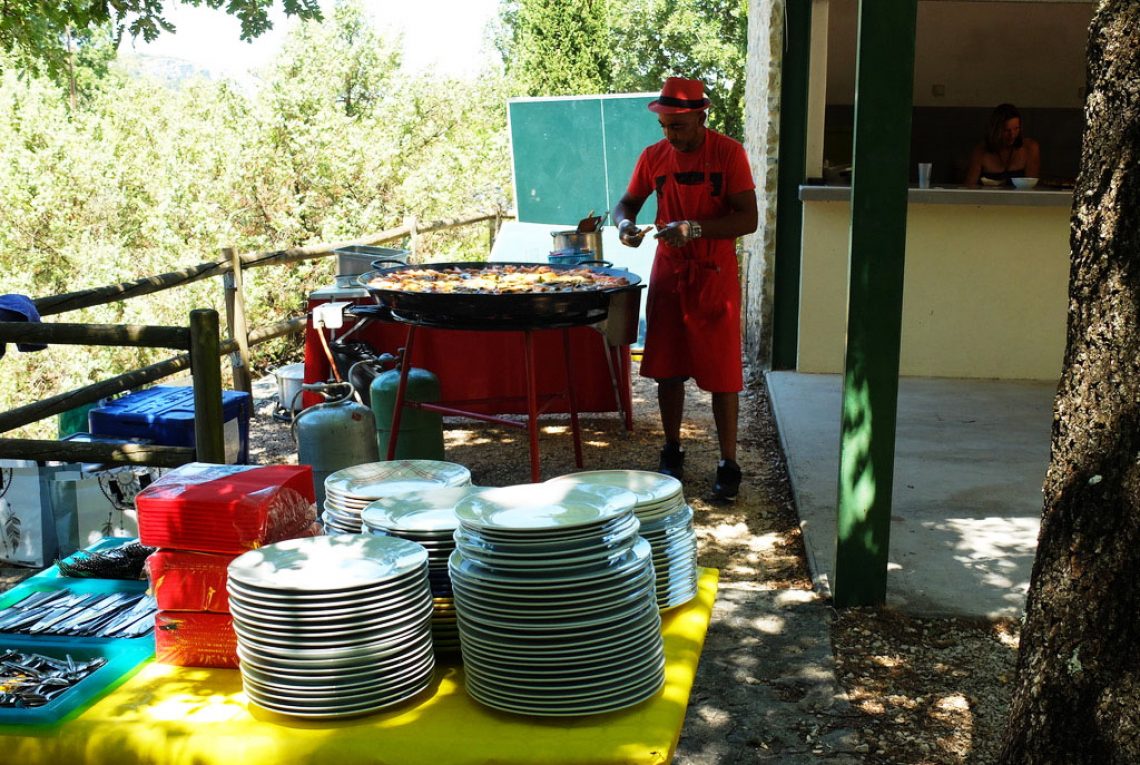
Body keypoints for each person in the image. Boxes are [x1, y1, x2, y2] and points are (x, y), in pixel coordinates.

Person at [613, 77, 758, 502]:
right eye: (664, 126)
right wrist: (624, 226)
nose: (670, 134)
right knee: (668, 367)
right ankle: (672, 449)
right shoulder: (653, 156)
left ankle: (728, 463)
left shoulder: (729, 153)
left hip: (714, 273)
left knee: (723, 374)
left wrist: (694, 229)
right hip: (669, 271)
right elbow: (627, 203)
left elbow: (747, 219)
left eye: (677, 125)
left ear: (700, 117)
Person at [964, 103, 1041, 186]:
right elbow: (969, 187)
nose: (1012, 135)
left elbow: (1031, 187)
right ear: (996, 130)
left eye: (1016, 128)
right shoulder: (981, 151)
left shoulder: (1029, 148)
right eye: (1006, 130)